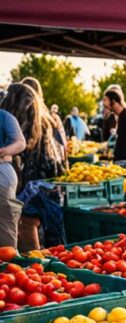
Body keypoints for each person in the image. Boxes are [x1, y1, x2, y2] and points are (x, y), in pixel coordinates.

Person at [1, 83, 65, 251]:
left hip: (28, 188)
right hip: (48, 186)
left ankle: (31, 267)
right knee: (44, 235)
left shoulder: (19, 123)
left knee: (24, 227)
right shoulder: (47, 121)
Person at [0, 102, 26, 247]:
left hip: (1, 171)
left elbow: (20, 143)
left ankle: (6, 262)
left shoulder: (4, 116)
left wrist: (4, 151)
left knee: (5, 222)